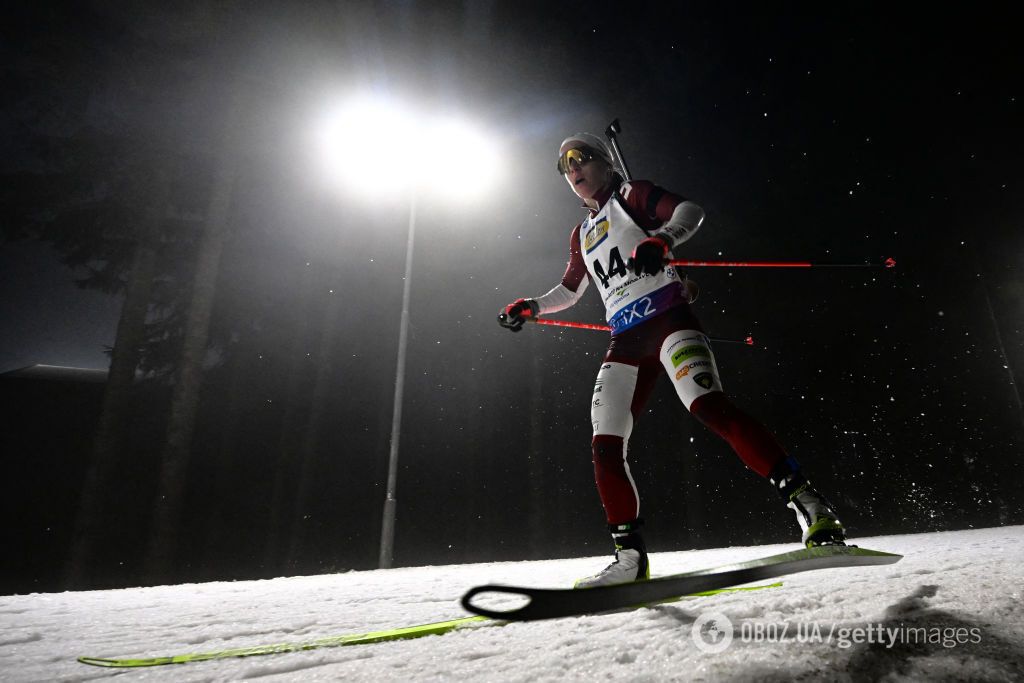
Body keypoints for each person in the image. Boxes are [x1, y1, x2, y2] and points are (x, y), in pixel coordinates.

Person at [498, 132, 846, 588]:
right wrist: (533, 306)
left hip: (668, 320)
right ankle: (629, 559)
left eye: (580, 158)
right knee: (605, 445)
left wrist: (661, 239)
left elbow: (690, 212)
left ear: (604, 163)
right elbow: (570, 289)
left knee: (708, 407)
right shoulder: (581, 233)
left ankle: (812, 507)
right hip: (626, 339)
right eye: (564, 166)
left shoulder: (632, 196)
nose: (573, 169)